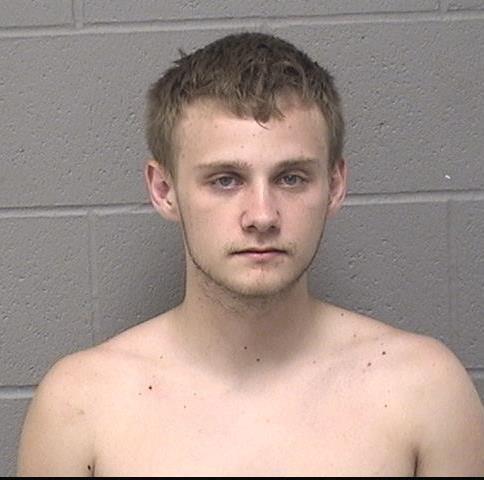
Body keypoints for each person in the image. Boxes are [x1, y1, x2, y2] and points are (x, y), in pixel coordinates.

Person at [17, 32, 484, 477]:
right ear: (164, 190)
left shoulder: (424, 392)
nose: (262, 215)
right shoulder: (81, 407)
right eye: (225, 180)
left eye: (291, 178)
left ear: (335, 186)